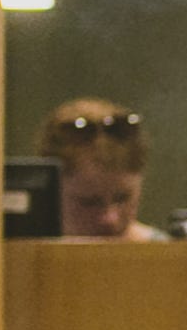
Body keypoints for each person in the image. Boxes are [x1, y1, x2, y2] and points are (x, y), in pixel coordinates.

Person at [37, 99, 147, 239]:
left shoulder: (165, 255)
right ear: (49, 196)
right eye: (89, 202)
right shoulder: (11, 256)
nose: (110, 219)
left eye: (123, 198)